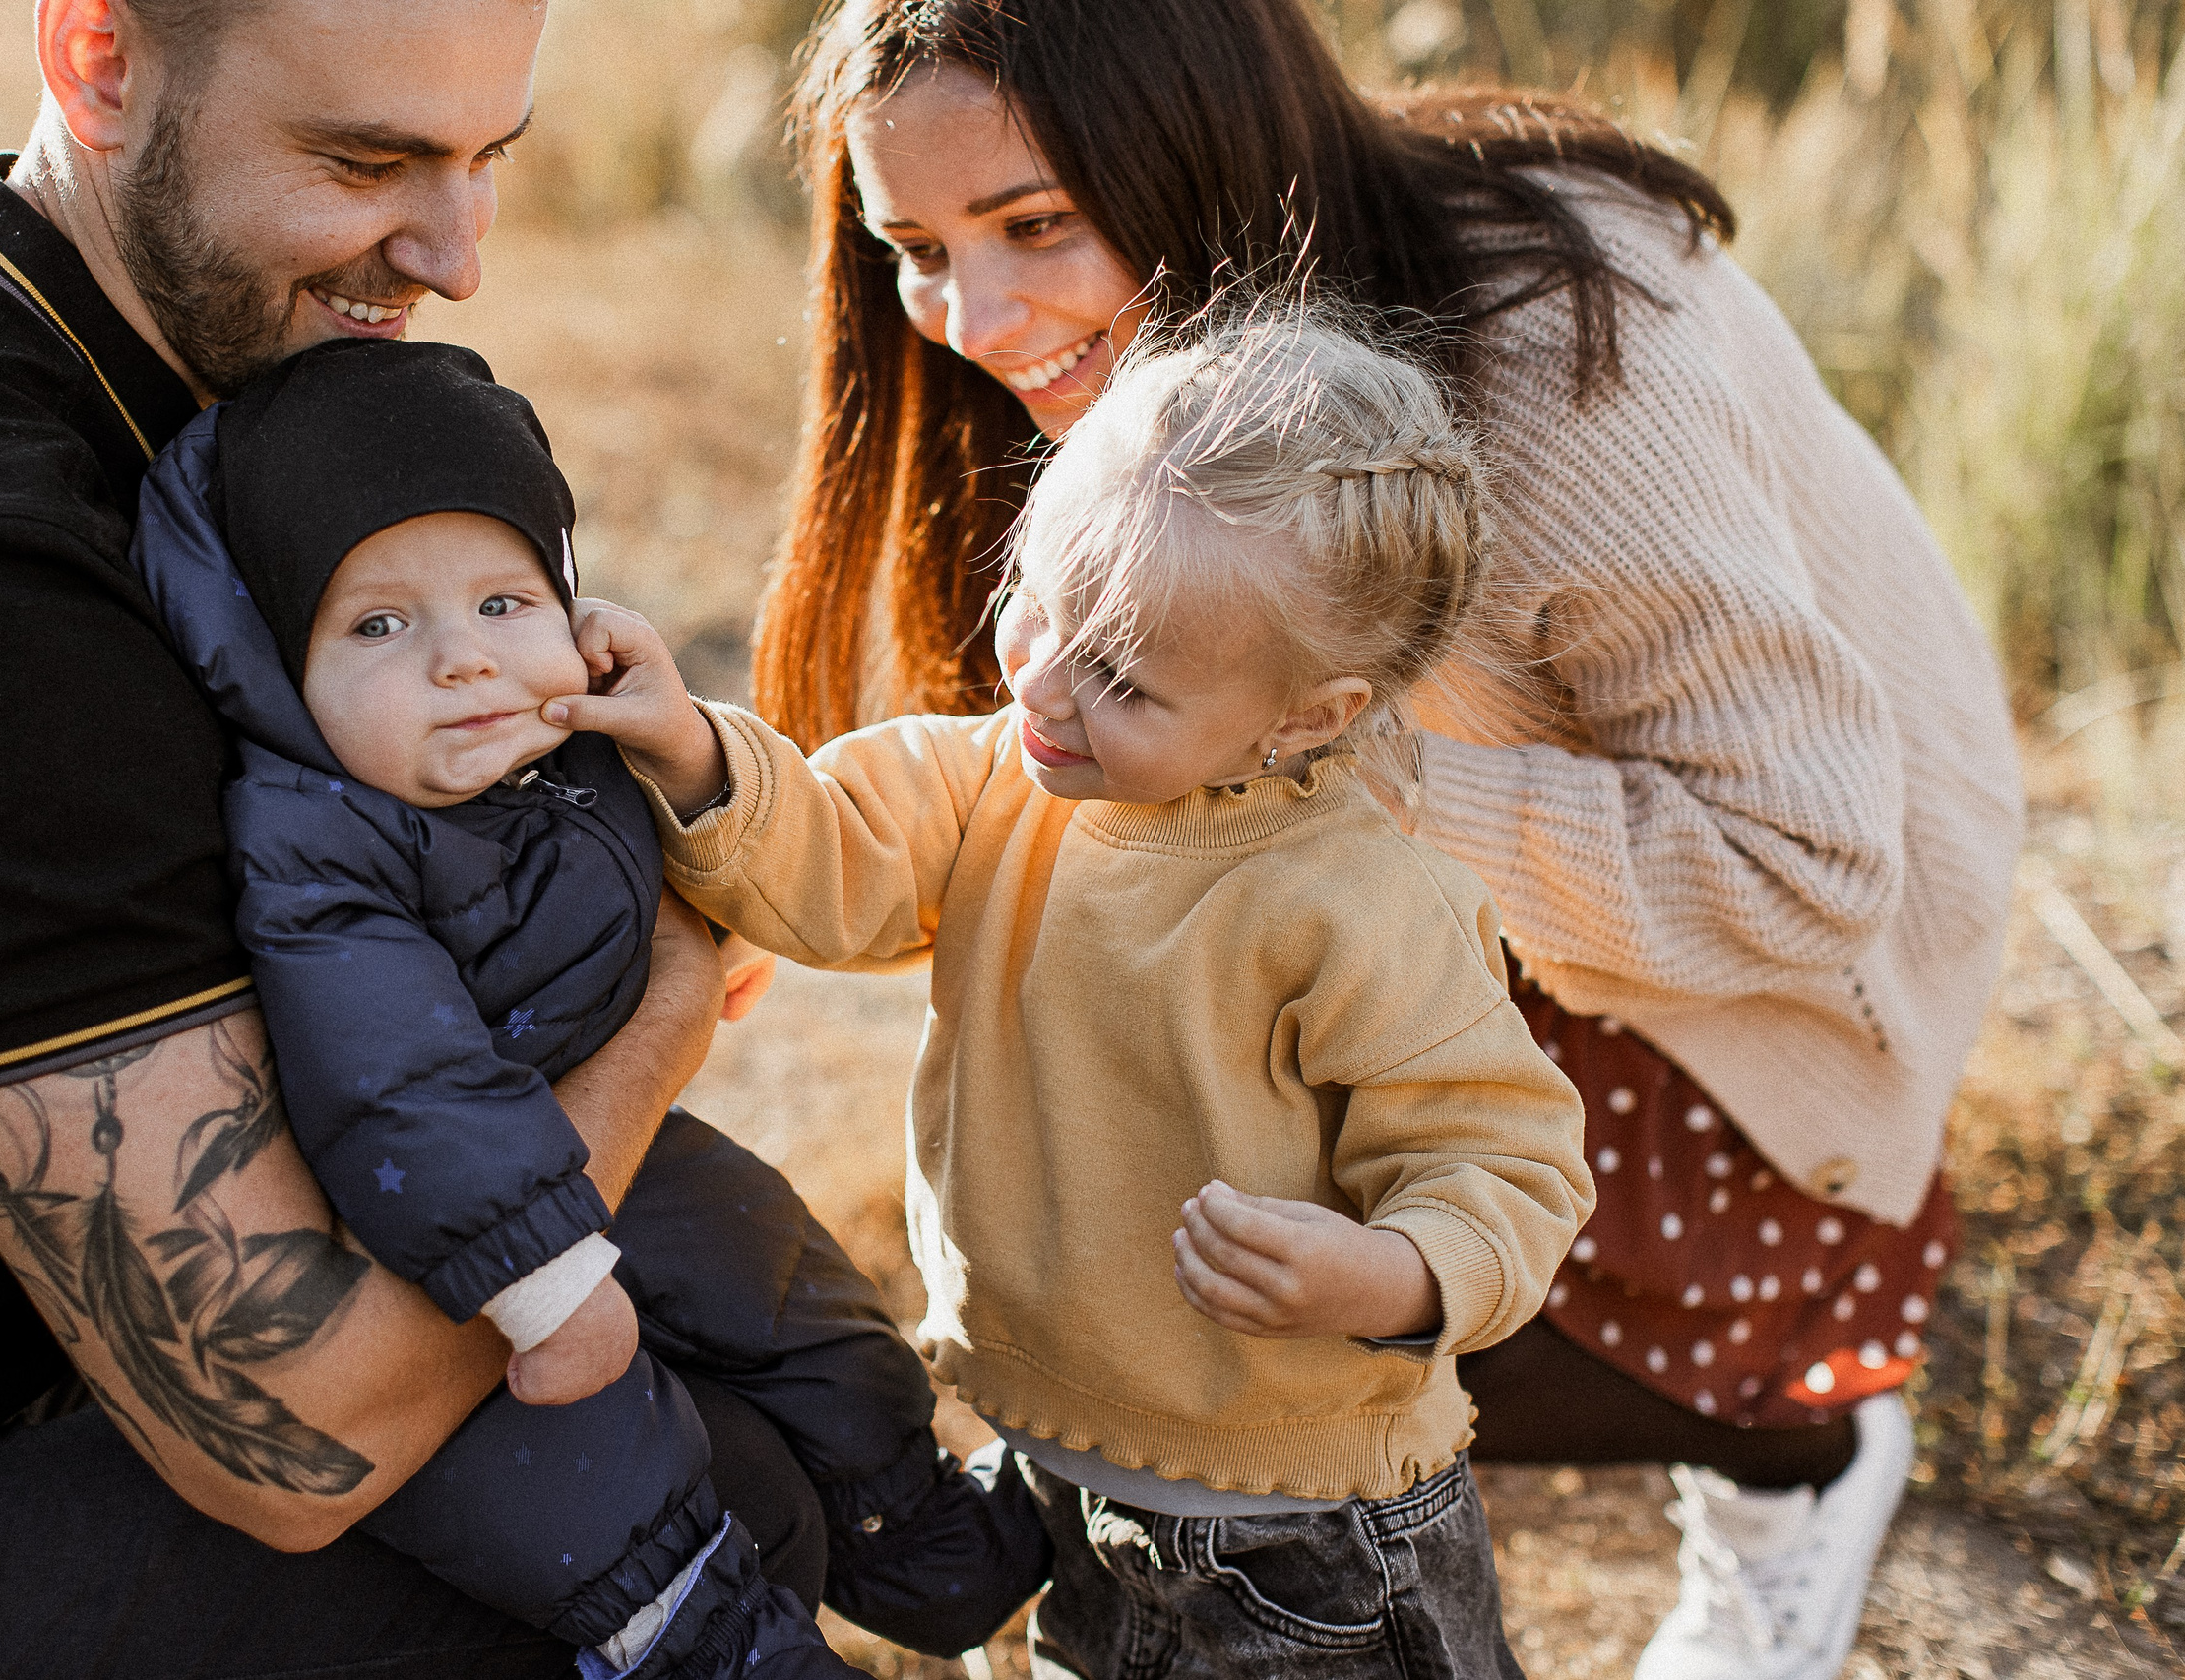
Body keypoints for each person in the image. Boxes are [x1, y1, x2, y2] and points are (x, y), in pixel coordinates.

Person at [748, 4, 2024, 1677]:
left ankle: (1797, 1444)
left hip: (1774, 976)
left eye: (1036, 221)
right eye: (914, 244)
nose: (974, 316)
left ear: (1189, 139)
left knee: (1302, 1309)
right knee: (1173, 1168)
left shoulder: (1563, 362)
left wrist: (1367, 781)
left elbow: (1803, 862)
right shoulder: (1186, 351)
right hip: (1457, 872)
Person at [0, 3, 845, 1677]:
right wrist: (660, 998)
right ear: (98, 59)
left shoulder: (195, 388)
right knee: (705, 1536)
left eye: (486, 159)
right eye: (366, 161)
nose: (457, 258)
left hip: (3, 1361)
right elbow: (295, 1438)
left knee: (759, 1369)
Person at [547, 302, 1594, 1680]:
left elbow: (1507, 1159)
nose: (1040, 678)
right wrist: (693, 753)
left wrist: (1388, 1272)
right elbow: (829, 855)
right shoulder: (997, 781)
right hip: (1069, 1474)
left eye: (1121, 677)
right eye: (1037, 598)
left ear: (1311, 716)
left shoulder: (1356, 905)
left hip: (1306, 1536)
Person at [123, 334, 1047, 1676]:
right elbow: (400, 1083)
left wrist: (684, 781)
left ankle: (937, 1544)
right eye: (379, 626)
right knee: (589, 1482)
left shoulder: (557, 745)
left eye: (505, 602)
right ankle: (715, 1642)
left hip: (629, 1158)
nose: (463, 662)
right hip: (444, 1239)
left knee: (794, 1298)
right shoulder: (313, 843)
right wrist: (545, 1281)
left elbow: (702, 836)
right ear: (274, 667)